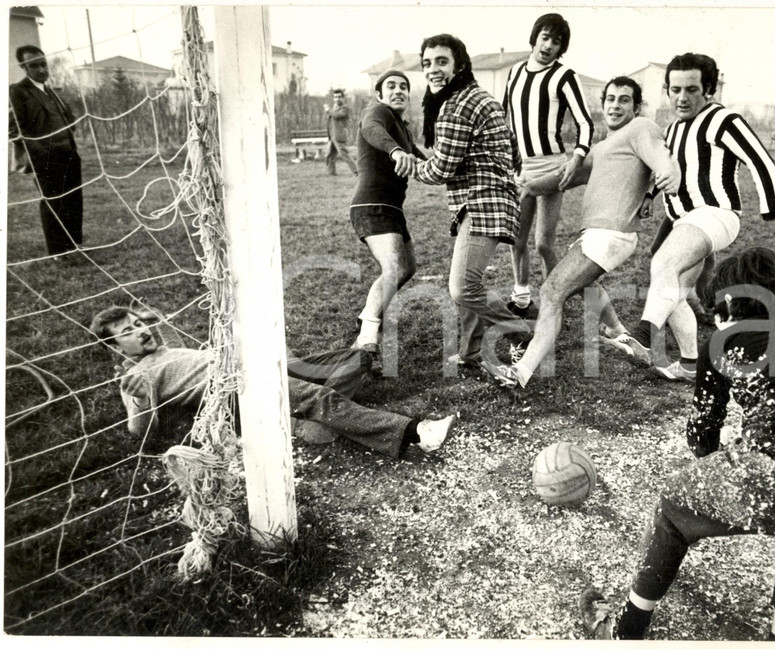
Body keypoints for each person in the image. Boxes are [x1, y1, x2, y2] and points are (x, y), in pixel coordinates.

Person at [579, 247, 775, 641]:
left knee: (673, 507)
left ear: (731, 305)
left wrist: (722, 475)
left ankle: (625, 630)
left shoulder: (728, 339)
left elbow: (702, 436)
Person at [480, 77, 680, 389]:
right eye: (610, 99)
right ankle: (618, 332)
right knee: (584, 283)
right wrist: (528, 187)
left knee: (551, 292)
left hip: (610, 234)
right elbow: (565, 178)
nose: (615, 105)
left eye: (624, 99)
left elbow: (660, 156)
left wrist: (666, 174)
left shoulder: (641, 128)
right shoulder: (601, 148)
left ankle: (521, 373)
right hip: (601, 235)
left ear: (637, 107)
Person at [611, 53, 775, 383]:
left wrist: (773, 213)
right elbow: (666, 169)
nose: (682, 97)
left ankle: (642, 337)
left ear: (708, 89)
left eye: (692, 89)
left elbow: (761, 162)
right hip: (685, 220)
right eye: (675, 90)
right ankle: (689, 363)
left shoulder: (723, 120)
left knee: (663, 263)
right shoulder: (673, 129)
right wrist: (650, 197)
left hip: (716, 213)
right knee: (673, 291)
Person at [90, 305, 456, 458]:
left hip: (260, 367)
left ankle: (313, 421)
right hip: (239, 388)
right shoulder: (135, 377)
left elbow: (170, 350)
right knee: (318, 397)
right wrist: (141, 403)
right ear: (114, 348)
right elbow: (140, 432)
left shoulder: (162, 351)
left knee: (356, 357)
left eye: (138, 323)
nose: (140, 331)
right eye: (128, 331)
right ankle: (416, 433)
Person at [410, 33, 531, 367]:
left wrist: (412, 167)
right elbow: (514, 149)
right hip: (484, 200)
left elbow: (442, 169)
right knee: (468, 279)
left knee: (463, 287)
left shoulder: (457, 105)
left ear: (459, 65)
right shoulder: (479, 97)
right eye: (427, 63)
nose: (433, 69)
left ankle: (523, 334)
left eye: (441, 61)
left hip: (483, 203)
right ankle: (471, 352)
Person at [501, 13, 594, 317]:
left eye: (557, 41)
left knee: (543, 243)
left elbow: (585, 123)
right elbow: (504, 117)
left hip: (552, 168)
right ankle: (521, 298)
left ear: (561, 47)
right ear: (535, 37)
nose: (549, 45)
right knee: (516, 239)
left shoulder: (564, 76)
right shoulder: (515, 72)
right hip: (519, 168)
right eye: (545, 37)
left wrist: (576, 158)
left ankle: (554, 298)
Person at [349, 70, 426, 358]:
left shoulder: (402, 128)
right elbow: (371, 128)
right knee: (393, 268)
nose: (398, 90)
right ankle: (366, 337)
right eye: (391, 86)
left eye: (403, 87)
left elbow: (423, 163)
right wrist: (395, 151)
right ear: (379, 94)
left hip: (393, 208)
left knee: (407, 268)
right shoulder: (377, 112)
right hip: (371, 205)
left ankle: (366, 316)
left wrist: (456, 171)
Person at [8, 45, 84, 262]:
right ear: (24, 67)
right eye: (34, 66)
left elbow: (67, 119)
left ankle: (73, 245)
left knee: (73, 200)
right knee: (53, 202)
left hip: (69, 153)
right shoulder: (18, 91)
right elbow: (14, 129)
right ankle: (58, 252)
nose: (41, 69)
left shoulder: (51, 90)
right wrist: (40, 154)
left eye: (43, 64)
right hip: (47, 158)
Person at [326, 88, 358, 176]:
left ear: (343, 98)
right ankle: (331, 172)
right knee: (330, 154)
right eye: (335, 97)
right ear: (333, 98)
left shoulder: (345, 108)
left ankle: (357, 171)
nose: (337, 99)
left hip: (339, 135)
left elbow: (336, 115)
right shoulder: (334, 108)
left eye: (339, 97)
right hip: (332, 135)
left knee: (344, 154)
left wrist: (328, 110)